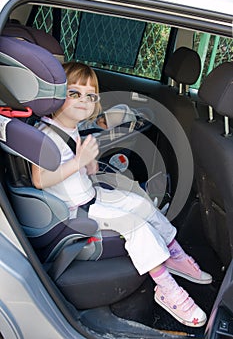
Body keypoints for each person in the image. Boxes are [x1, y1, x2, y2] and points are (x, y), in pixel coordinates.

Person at [32, 61, 212, 328]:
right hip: (75, 210)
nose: (84, 101)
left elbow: (77, 171)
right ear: (57, 94)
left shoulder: (71, 129)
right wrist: (79, 162)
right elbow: (39, 179)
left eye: (90, 96)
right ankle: (166, 288)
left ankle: (174, 255)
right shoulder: (45, 134)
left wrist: (89, 165)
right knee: (137, 226)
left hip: (89, 194)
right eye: (74, 94)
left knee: (143, 205)